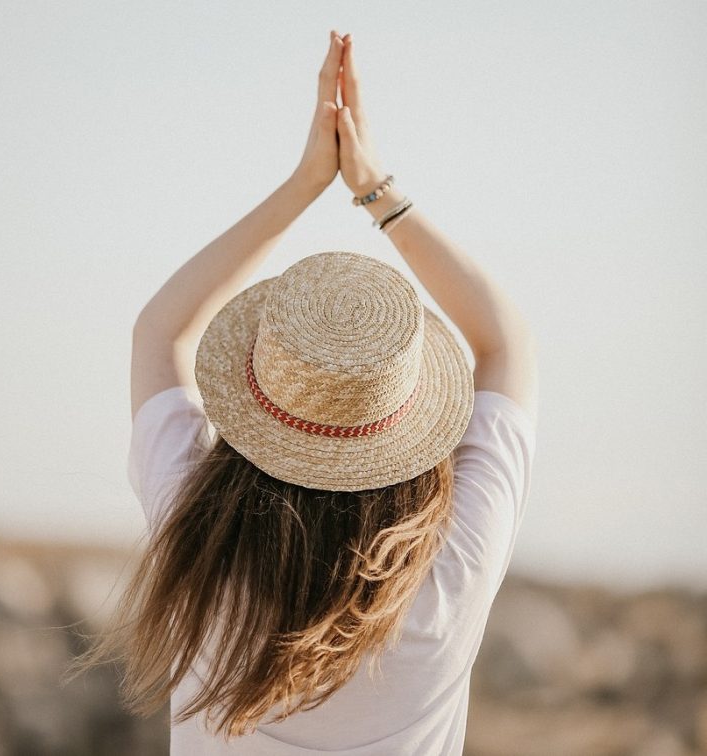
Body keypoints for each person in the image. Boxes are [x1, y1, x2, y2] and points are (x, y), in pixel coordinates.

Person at [63, 30, 539, 755]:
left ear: (261, 410)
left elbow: (159, 332)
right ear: (405, 425)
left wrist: (305, 182)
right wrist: (373, 187)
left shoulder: (199, 544)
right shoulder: (450, 572)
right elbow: (505, 341)